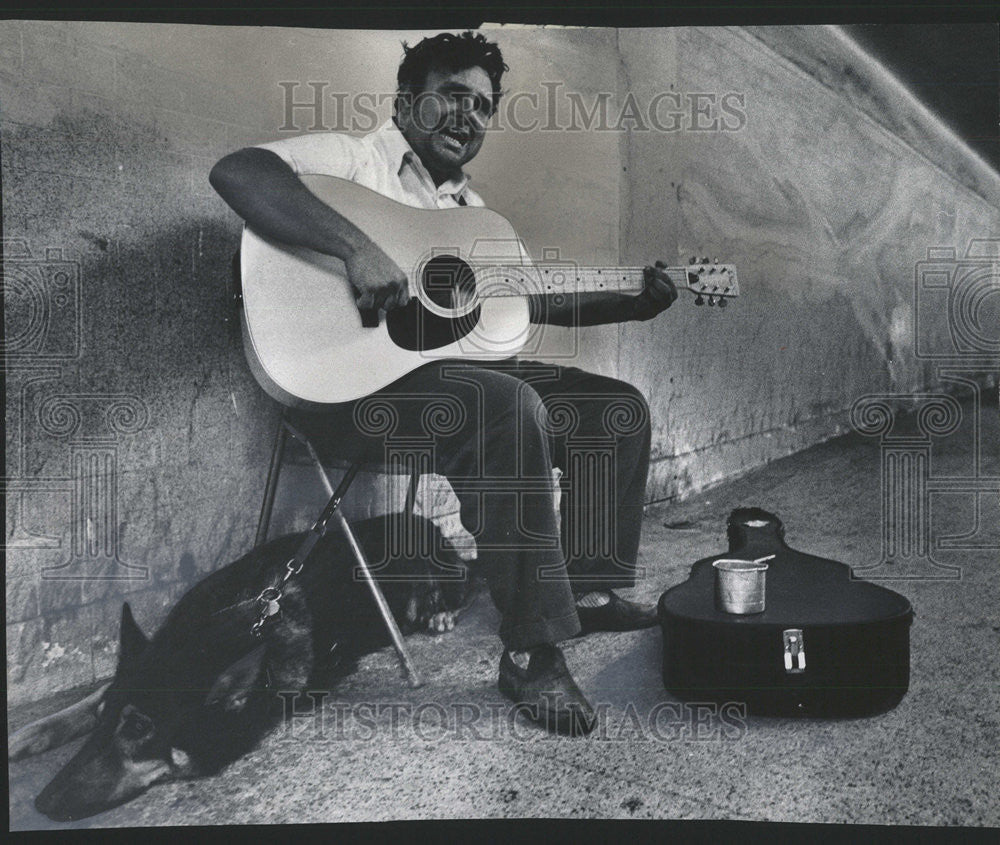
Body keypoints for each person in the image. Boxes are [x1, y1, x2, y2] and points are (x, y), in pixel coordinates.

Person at [210, 31, 678, 737]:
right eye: (452, 96)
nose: (469, 117)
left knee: (613, 408)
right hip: (349, 394)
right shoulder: (352, 160)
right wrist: (356, 247)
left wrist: (631, 298)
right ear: (407, 99)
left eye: (483, 107)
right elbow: (240, 174)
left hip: (455, 392)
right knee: (503, 401)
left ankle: (583, 588)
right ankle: (530, 649)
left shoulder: (477, 217)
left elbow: (534, 299)